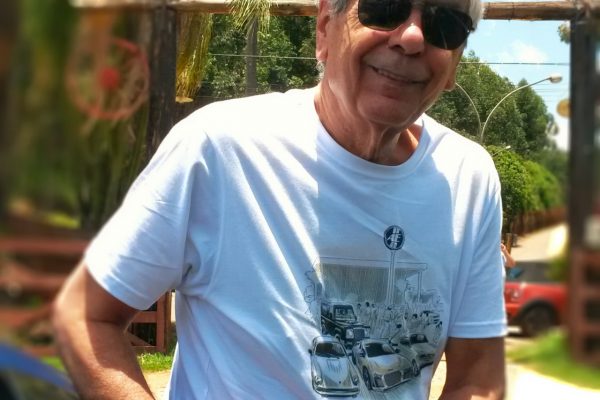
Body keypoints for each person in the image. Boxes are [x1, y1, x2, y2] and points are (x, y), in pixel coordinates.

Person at [52, 0, 507, 399]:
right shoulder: (219, 148)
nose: (411, 38)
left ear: (455, 63)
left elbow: (478, 377)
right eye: (384, 7)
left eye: (445, 24)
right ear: (325, 27)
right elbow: (84, 316)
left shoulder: (468, 178)